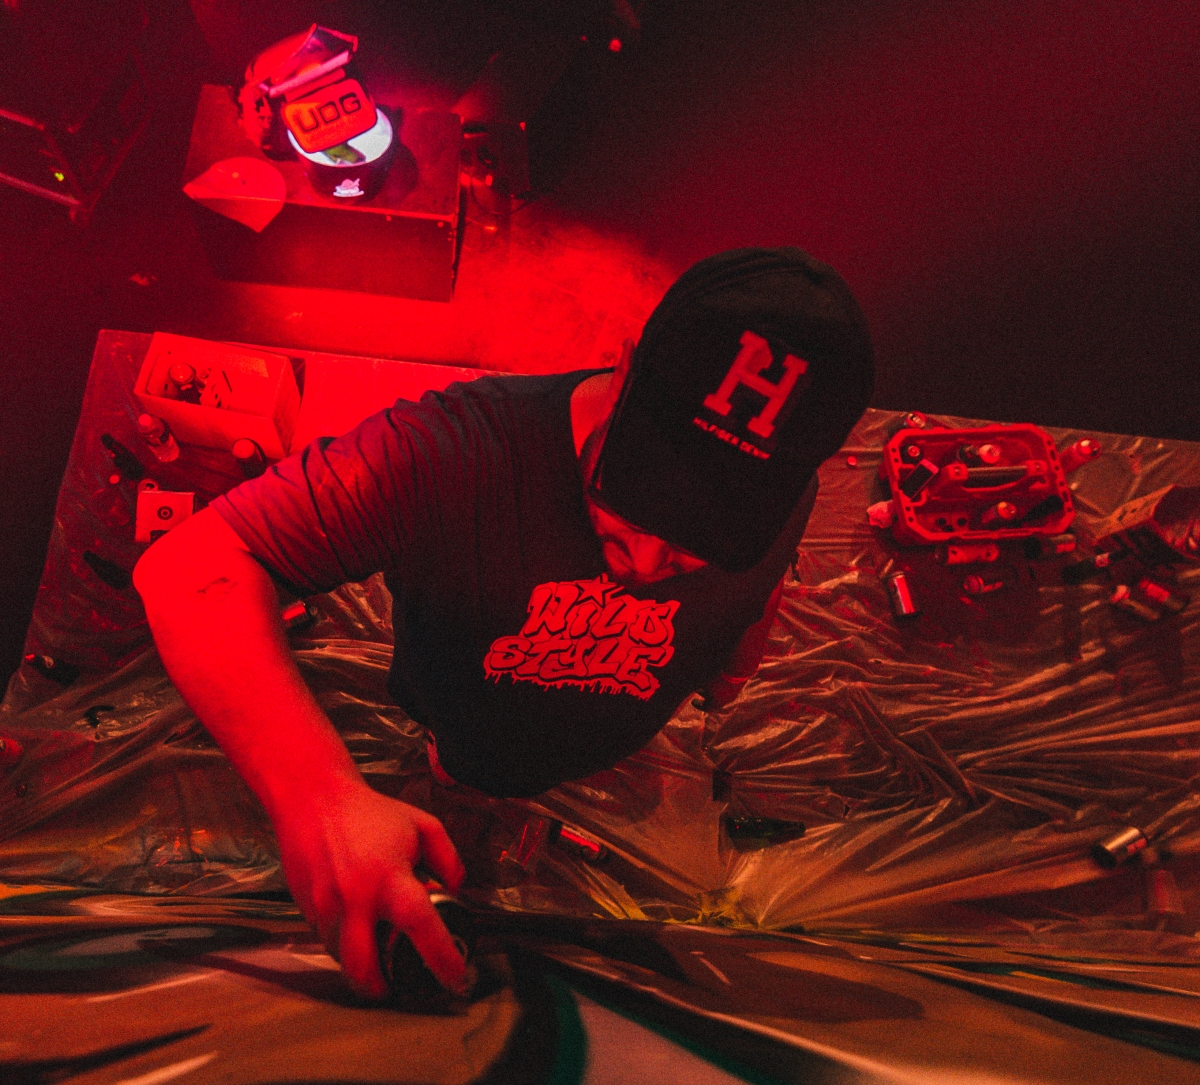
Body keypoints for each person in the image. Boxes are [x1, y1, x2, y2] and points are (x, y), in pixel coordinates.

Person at [133, 246, 874, 998]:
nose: (647, 561)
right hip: (466, 738)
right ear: (625, 372)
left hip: (615, 736)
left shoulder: (782, 495)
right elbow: (191, 564)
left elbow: (764, 579)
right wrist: (319, 798)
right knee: (462, 774)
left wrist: (733, 668)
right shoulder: (449, 454)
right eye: (635, 496)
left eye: (700, 538)